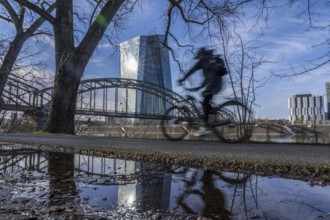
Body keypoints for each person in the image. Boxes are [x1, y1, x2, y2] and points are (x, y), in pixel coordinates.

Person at [178, 47, 228, 136]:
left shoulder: (204, 59)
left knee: (205, 102)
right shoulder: (210, 60)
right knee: (205, 99)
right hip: (217, 84)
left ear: (201, 55)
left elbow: (192, 69)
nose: (197, 59)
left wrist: (183, 79)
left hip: (213, 84)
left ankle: (205, 127)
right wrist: (198, 87)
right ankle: (212, 118)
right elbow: (209, 77)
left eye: (198, 57)